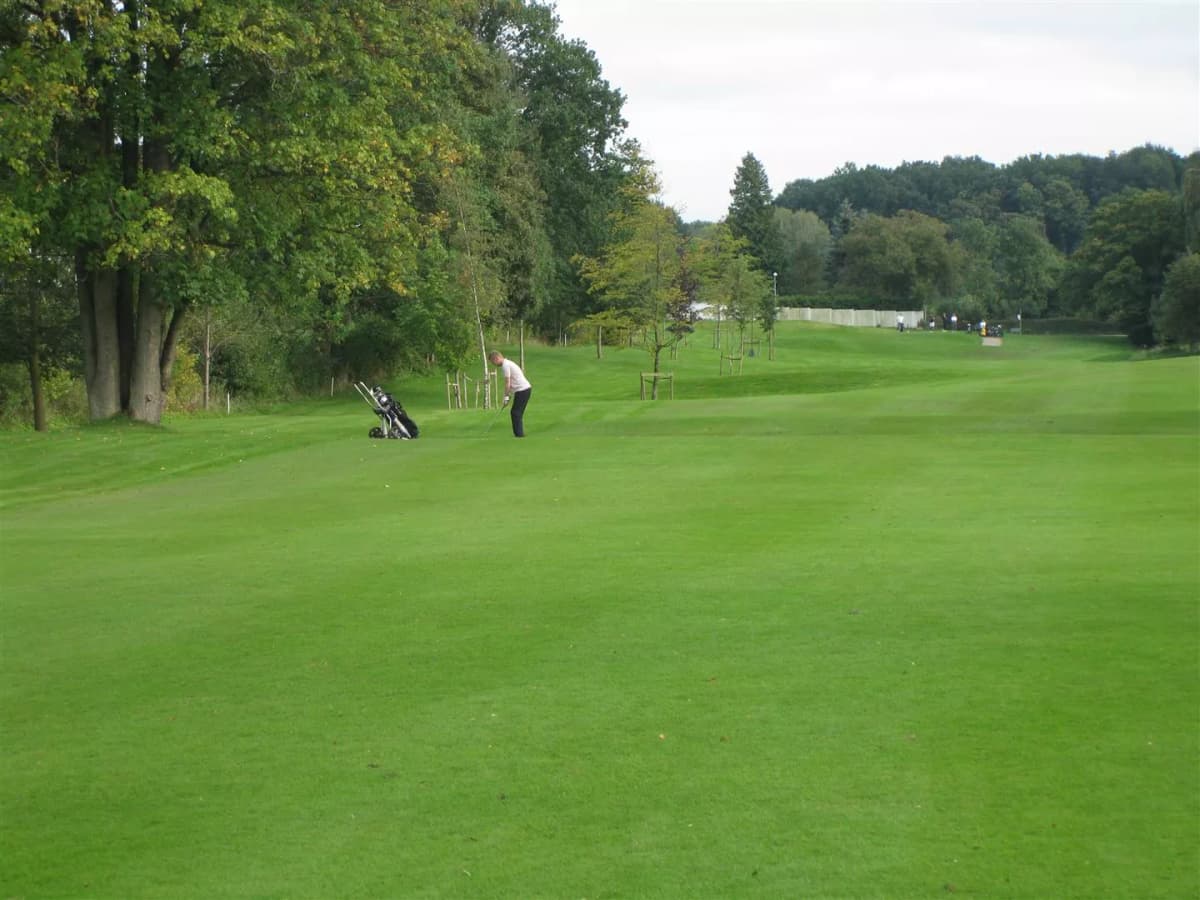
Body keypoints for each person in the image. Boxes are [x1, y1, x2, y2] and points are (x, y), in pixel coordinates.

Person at [488, 350, 532, 437]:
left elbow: (507, 382)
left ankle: (519, 435)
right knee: (516, 413)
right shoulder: (508, 363)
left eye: (493, 362)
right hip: (523, 390)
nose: (494, 365)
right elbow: (512, 382)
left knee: (516, 412)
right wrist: (508, 396)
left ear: (496, 358)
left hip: (523, 390)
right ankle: (519, 434)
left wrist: (506, 397)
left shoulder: (505, 365)